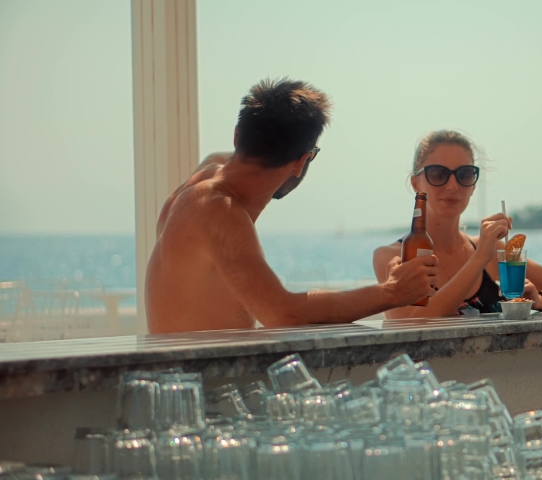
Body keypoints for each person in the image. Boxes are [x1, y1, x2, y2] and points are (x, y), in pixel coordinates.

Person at [146, 78, 438, 334]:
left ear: (237, 136)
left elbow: (240, 161)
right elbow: (283, 313)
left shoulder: (205, 178)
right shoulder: (218, 211)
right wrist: (391, 292)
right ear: (301, 162)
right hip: (196, 388)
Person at [372, 130, 542, 319]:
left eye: (465, 174)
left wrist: (540, 301)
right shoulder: (394, 257)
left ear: (473, 185)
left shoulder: (491, 250)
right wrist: (479, 258)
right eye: (438, 174)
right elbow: (412, 324)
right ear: (415, 183)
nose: (453, 185)